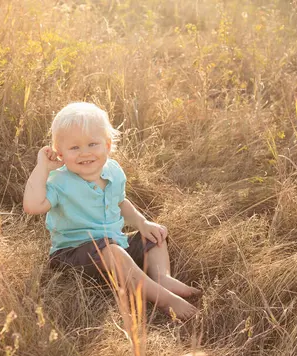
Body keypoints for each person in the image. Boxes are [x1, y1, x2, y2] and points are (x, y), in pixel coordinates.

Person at [23, 102, 200, 319]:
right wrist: (42, 167)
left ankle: (162, 277)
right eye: (74, 148)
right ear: (60, 153)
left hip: (115, 244)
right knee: (114, 252)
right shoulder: (60, 181)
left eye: (92, 144)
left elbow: (120, 202)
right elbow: (32, 206)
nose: (84, 153)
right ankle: (164, 299)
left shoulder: (113, 171)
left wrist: (142, 223)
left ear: (107, 145)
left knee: (155, 236)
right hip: (74, 256)